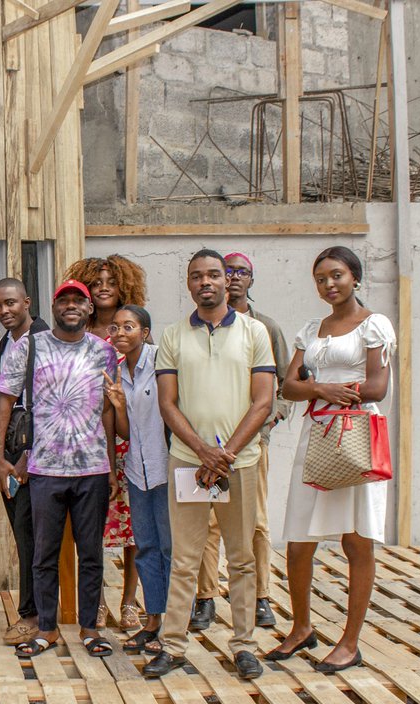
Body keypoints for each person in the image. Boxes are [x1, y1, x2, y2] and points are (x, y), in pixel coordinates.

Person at [143, 250, 275, 682]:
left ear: (227, 281)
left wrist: (226, 455)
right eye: (197, 276)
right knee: (184, 559)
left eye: (214, 275)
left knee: (240, 559)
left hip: (240, 463)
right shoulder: (174, 336)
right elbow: (167, 403)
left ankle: (244, 646)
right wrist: (202, 452)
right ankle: (174, 647)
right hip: (188, 464)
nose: (207, 282)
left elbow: (263, 401)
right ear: (188, 284)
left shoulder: (254, 332)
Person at [265, 247, 394, 673]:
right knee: (299, 540)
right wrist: (321, 391)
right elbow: (288, 386)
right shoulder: (311, 331)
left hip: (357, 436)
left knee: (356, 540)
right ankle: (301, 628)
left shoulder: (374, 326)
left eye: (336, 275)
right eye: (320, 278)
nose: (328, 284)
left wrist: (334, 389)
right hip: (318, 435)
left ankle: (350, 641)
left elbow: (377, 387)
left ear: (355, 277)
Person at [0, 280, 117, 659]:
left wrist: (110, 465)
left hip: (91, 468)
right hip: (44, 468)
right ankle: (46, 629)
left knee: (91, 554)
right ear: (54, 305)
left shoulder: (104, 352)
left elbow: (108, 410)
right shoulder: (29, 347)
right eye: (65, 300)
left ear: (89, 308)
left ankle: (90, 629)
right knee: (43, 554)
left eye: (79, 300)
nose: (72, 306)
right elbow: (4, 402)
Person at [191, 252, 292, 631]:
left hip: (250, 445)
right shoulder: (197, 328)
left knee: (256, 522)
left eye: (240, 272)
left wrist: (271, 418)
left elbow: (286, 383)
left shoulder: (264, 328)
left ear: (252, 279)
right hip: (206, 447)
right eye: (226, 271)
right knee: (208, 522)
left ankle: (260, 596)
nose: (232, 278)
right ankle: (205, 598)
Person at [65, 255, 148, 632]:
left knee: (134, 527)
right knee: (90, 528)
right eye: (95, 281)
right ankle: (94, 600)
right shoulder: (76, 333)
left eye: (110, 280)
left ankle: (130, 602)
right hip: (88, 441)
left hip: (129, 440)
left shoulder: (131, 331)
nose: (102, 286)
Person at [0, 278, 51, 645]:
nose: (4, 311)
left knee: (35, 537)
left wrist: (29, 458)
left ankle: (33, 615)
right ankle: (36, 610)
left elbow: (52, 406)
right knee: (24, 537)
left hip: (38, 452)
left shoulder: (46, 341)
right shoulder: (6, 344)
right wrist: (1, 459)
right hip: (10, 453)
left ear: (27, 302)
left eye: (11, 303)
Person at [102, 306, 170, 655]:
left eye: (129, 327)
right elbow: (127, 432)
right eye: (115, 328)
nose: (120, 333)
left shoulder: (161, 362)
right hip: (137, 470)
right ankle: (153, 621)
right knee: (144, 546)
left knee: (168, 549)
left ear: (145, 331)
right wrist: (119, 406)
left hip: (165, 468)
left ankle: (172, 626)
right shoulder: (118, 370)